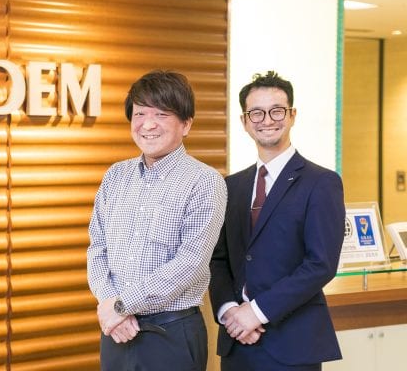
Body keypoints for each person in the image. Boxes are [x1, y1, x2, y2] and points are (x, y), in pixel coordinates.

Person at [86, 70, 227, 370]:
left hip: (171, 335)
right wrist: (111, 303)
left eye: (161, 114)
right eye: (139, 113)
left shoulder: (204, 182)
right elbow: (97, 248)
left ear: (186, 124)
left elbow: (190, 264)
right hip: (117, 332)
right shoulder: (115, 176)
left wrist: (122, 305)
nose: (147, 124)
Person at [209, 71, 345, 371]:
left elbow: (320, 264)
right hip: (237, 343)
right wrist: (230, 311)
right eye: (256, 112)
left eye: (277, 111)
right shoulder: (231, 186)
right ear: (245, 121)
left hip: (292, 345)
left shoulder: (321, 182)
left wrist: (256, 312)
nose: (267, 120)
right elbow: (218, 260)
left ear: (292, 115)